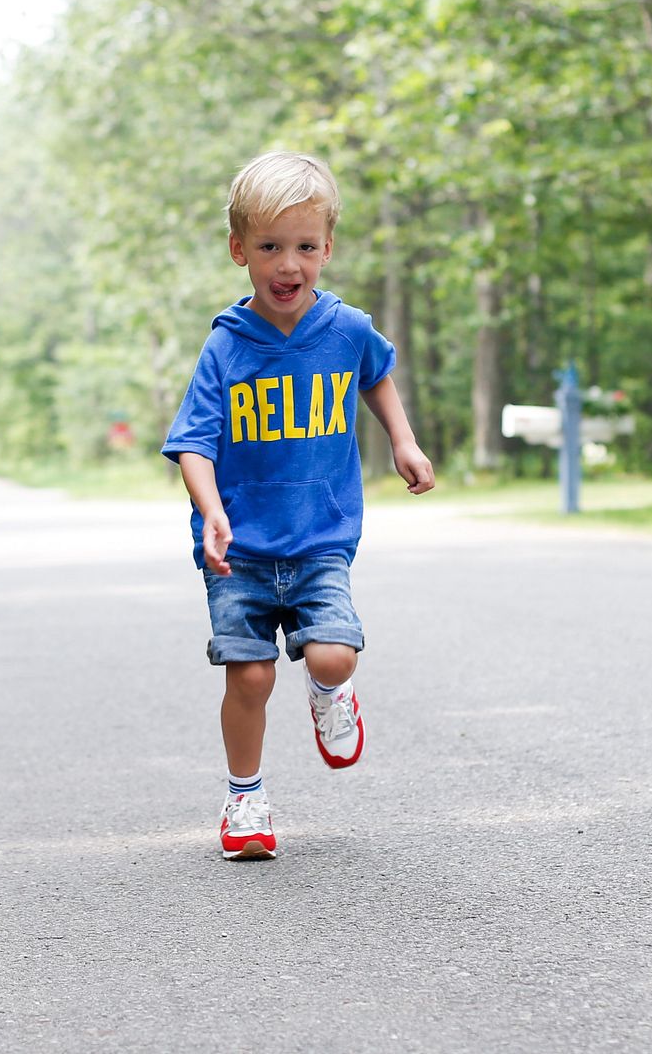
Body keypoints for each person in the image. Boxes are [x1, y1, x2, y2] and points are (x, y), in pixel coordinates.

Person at [161, 151, 434, 861]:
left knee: (336, 656)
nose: (289, 265)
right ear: (238, 250)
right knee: (249, 675)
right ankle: (245, 800)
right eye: (271, 247)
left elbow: (376, 375)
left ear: (327, 248)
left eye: (306, 247)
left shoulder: (344, 329)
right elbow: (192, 441)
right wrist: (211, 509)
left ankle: (328, 694)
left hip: (319, 540)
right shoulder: (227, 346)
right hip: (240, 548)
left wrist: (402, 442)